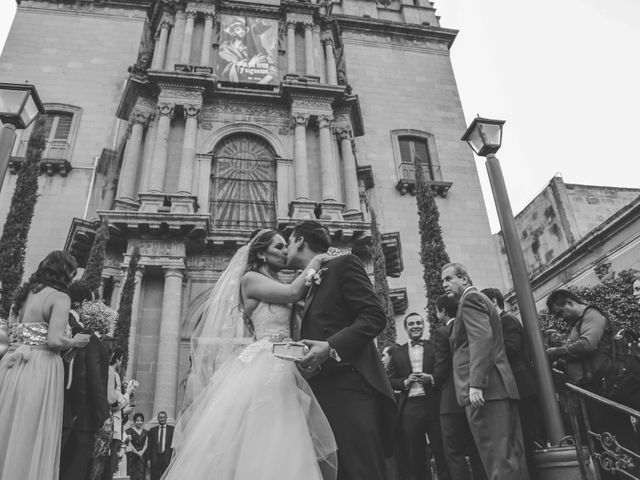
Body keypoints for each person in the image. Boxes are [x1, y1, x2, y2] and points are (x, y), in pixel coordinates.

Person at [161, 229, 337, 480]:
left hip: (285, 361)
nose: (285, 250)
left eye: (285, 246)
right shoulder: (251, 279)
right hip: (265, 362)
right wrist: (317, 260)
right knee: (265, 428)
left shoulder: (277, 282)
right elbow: (292, 294)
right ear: (262, 254)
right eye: (278, 247)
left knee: (284, 434)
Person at [288, 220, 397, 480]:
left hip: (349, 385)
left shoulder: (343, 265)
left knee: (361, 469)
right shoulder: (304, 283)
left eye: (288, 242)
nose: (285, 250)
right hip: (320, 391)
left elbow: (374, 316)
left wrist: (330, 346)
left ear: (301, 240)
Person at [0, 251, 90, 480]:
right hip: (41, 367)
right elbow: (54, 340)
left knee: (8, 426)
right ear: (66, 273)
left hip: (13, 366)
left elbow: (12, 336)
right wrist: (75, 342)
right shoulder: (59, 298)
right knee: (31, 431)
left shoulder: (23, 295)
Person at [441, 262, 528, 480]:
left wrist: (476, 384)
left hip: (487, 392)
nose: (444, 284)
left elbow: (481, 339)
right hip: (498, 389)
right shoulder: (478, 300)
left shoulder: (470, 299)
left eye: (448, 278)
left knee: (498, 459)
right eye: (443, 280)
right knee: (511, 457)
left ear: (464, 278)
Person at [546, 288, 640, 478]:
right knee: (613, 436)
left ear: (570, 302)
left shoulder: (592, 315)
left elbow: (588, 344)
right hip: (600, 390)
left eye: (560, 312)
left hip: (609, 385)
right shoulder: (580, 322)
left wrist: (556, 351)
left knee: (619, 435)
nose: (560, 318)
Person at [482, 288, 541, 479]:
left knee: (531, 435)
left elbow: (512, 347)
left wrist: (487, 348)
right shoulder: (499, 322)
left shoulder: (507, 320)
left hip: (522, 385)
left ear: (493, 301)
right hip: (515, 387)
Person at [387, 312, 451, 480]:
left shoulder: (434, 347)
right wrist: (405, 382)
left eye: (418, 323)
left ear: (423, 326)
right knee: (415, 455)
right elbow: (389, 380)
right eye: (411, 324)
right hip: (410, 408)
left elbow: (443, 370)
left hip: (432, 404)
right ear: (406, 328)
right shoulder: (397, 352)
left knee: (440, 450)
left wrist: (431, 378)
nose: (415, 326)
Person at [60, 280, 111, 480]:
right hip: (81, 415)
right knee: (75, 468)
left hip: (68, 411)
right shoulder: (83, 335)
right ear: (83, 305)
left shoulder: (65, 324)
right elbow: (92, 378)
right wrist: (103, 414)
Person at [432, 294, 486, 480]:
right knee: (475, 448)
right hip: (473, 394)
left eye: (436, 310)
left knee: (454, 451)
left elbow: (441, 369)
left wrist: (432, 380)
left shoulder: (442, 332)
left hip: (450, 399)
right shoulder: (468, 326)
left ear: (442, 312)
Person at [148, 411, 174, 480]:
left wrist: (173, 458)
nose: (162, 419)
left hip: (166, 457)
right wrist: (149, 459)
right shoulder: (152, 430)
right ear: (158, 419)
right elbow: (149, 446)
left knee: (166, 477)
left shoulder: (172, 429)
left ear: (166, 418)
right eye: (160, 417)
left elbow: (174, 445)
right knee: (154, 477)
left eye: (164, 417)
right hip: (155, 457)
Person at [125, 413, 148, 480]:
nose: (139, 422)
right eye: (137, 421)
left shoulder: (146, 432)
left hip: (142, 456)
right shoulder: (129, 431)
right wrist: (137, 452)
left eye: (141, 420)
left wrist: (141, 452)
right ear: (134, 421)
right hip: (132, 456)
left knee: (141, 475)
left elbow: (146, 444)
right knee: (132, 475)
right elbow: (129, 444)